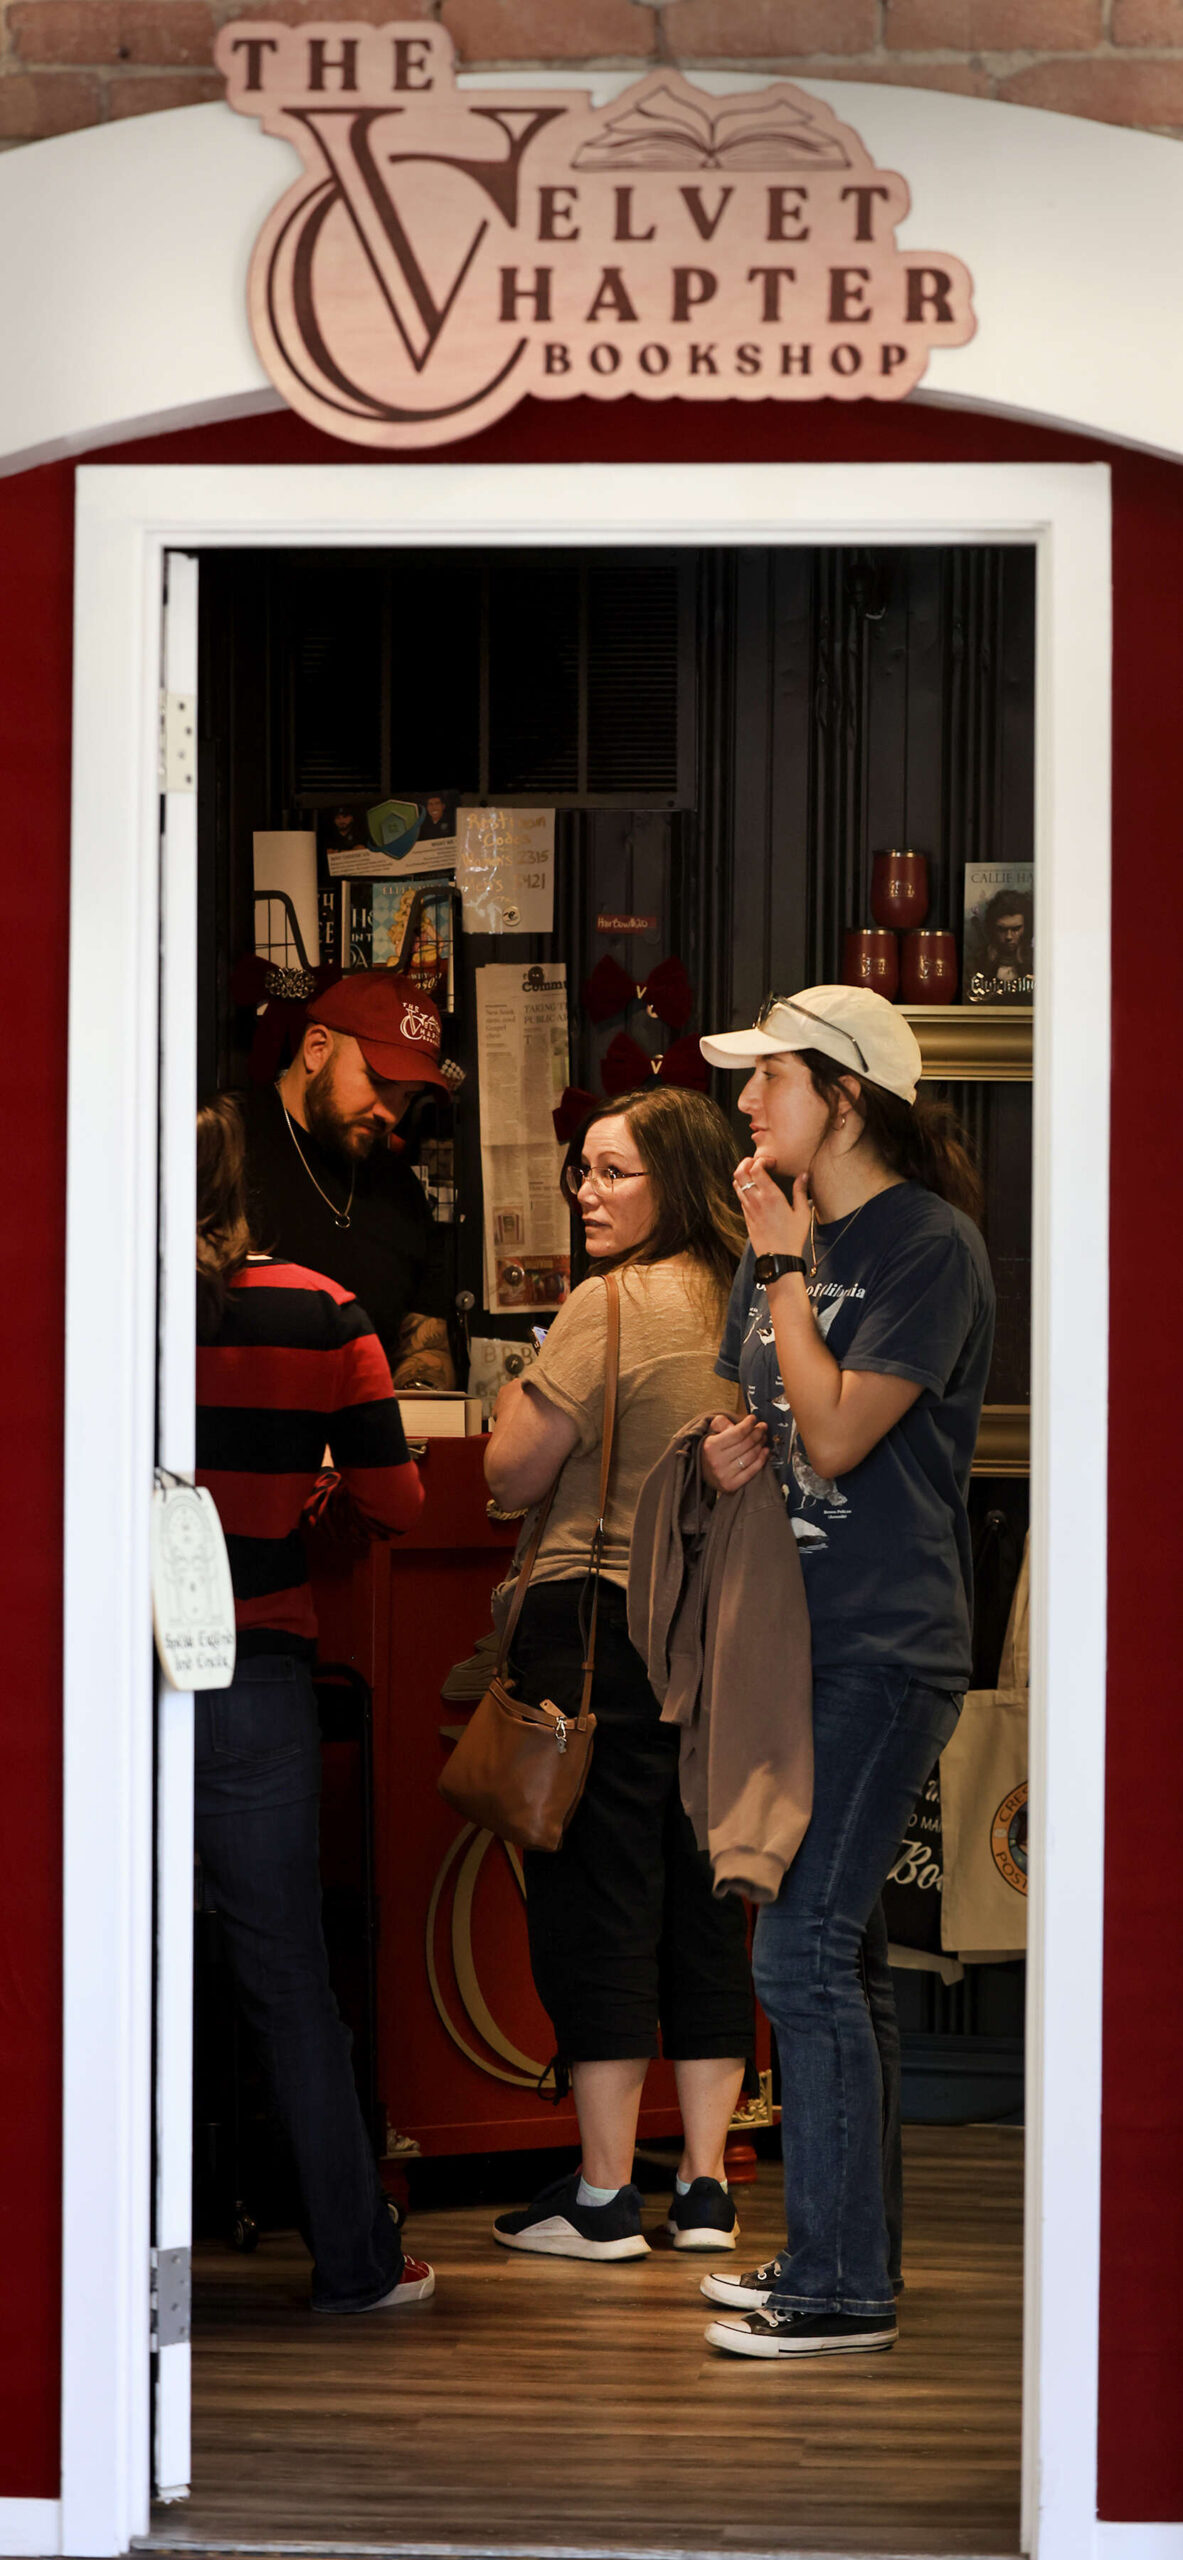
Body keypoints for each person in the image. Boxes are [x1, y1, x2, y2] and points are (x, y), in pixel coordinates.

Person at [693, 985, 994, 2360]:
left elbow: (834, 1438)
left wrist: (779, 1270)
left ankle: (834, 2289)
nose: (747, 1104)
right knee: (845, 1958)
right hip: (791, 1640)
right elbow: (755, 1416)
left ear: (847, 1097)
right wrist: (717, 1452)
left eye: (772, 1081)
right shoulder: (792, 1245)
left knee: (800, 1954)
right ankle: (834, 2258)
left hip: (880, 1645)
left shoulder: (923, 1247)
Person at [483, 1087, 756, 2264]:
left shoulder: (609, 1302)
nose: (585, 1193)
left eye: (612, 1173)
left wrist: (515, 1391)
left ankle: (602, 2196)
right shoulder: (756, 1301)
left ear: (675, 1178)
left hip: (592, 1625)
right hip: (716, 1632)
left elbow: (506, 1471)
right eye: (581, 1172)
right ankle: (702, 2187)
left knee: (597, 1896)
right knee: (701, 1896)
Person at [193, 1094, 434, 2314]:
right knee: (286, 1974)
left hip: (98, 1686)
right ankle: (355, 2258)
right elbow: (397, 1503)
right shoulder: (323, 1308)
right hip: (253, 1673)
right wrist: (317, 1482)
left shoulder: (87, 1301)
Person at [237, 970, 456, 1388]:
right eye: (378, 1082)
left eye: (406, 1096)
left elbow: (426, 1349)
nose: (390, 1113)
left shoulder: (402, 1193)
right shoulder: (224, 1144)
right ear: (317, 1048)